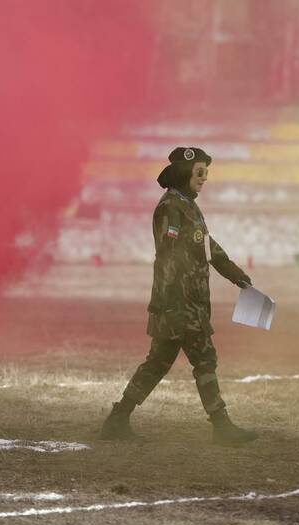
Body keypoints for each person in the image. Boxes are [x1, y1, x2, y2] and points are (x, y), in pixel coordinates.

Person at [100, 146, 258, 446]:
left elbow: (210, 249)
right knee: (204, 359)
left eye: (206, 173)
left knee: (158, 362)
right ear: (186, 173)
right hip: (180, 306)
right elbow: (169, 258)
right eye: (200, 173)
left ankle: (118, 419)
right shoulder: (171, 207)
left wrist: (238, 276)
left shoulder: (188, 206)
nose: (204, 178)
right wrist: (173, 307)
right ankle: (222, 426)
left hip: (187, 305)